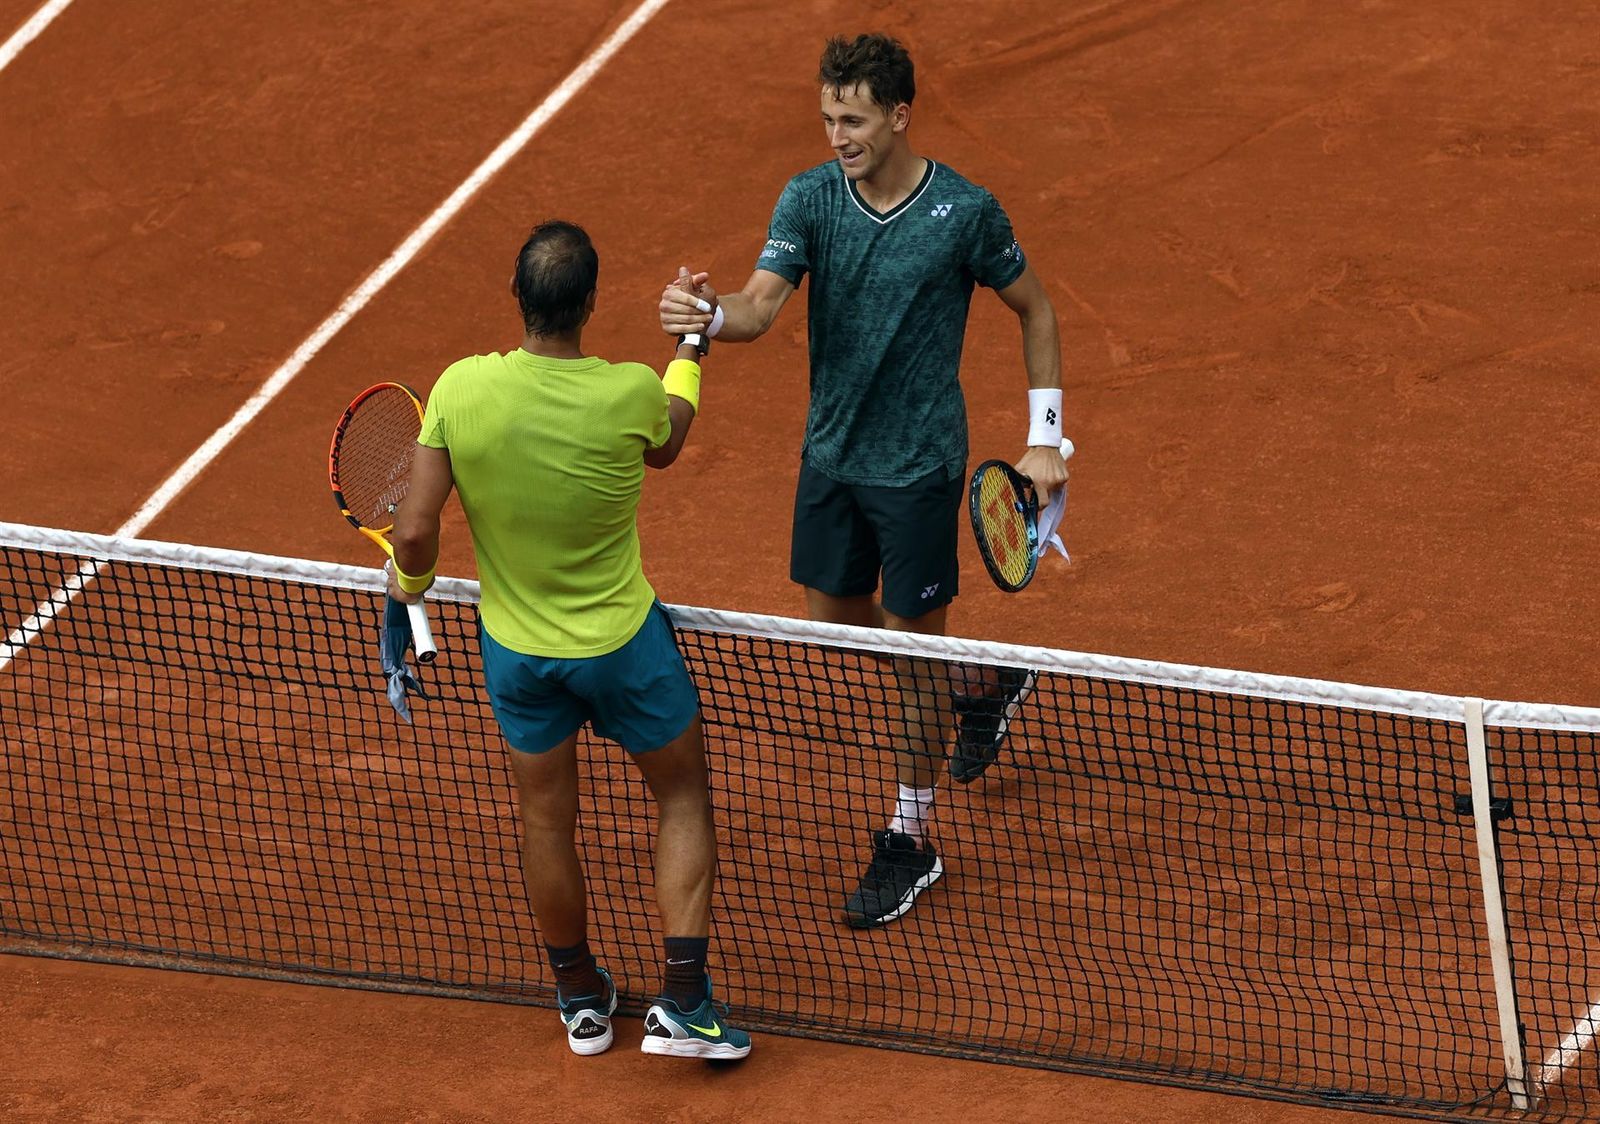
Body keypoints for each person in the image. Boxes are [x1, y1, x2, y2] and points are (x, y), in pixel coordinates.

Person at [659, 34, 1070, 928]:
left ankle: (911, 836)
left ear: (899, 115)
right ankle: (980, 685)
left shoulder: (963, 211)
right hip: (833, 457)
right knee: (835, 623)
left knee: (908, 659)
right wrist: (707, 315)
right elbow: (760, 307)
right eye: (827, 119)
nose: (837, 136)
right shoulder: (809, 198)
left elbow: (1036, 308)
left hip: (920, 469)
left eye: (852, 120)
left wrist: (1047, 441)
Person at [389, 220, 750, 1060]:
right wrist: (692, 343)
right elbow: (672, 433)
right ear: (590, 303)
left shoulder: (459, 388)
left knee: (547, 823)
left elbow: (413, 530)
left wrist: (407, 587)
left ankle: (581, 998)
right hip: (624, 648)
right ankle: (684, 1002)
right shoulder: (628, 393)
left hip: (519, 659)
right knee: (682, 796)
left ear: (517, 297)